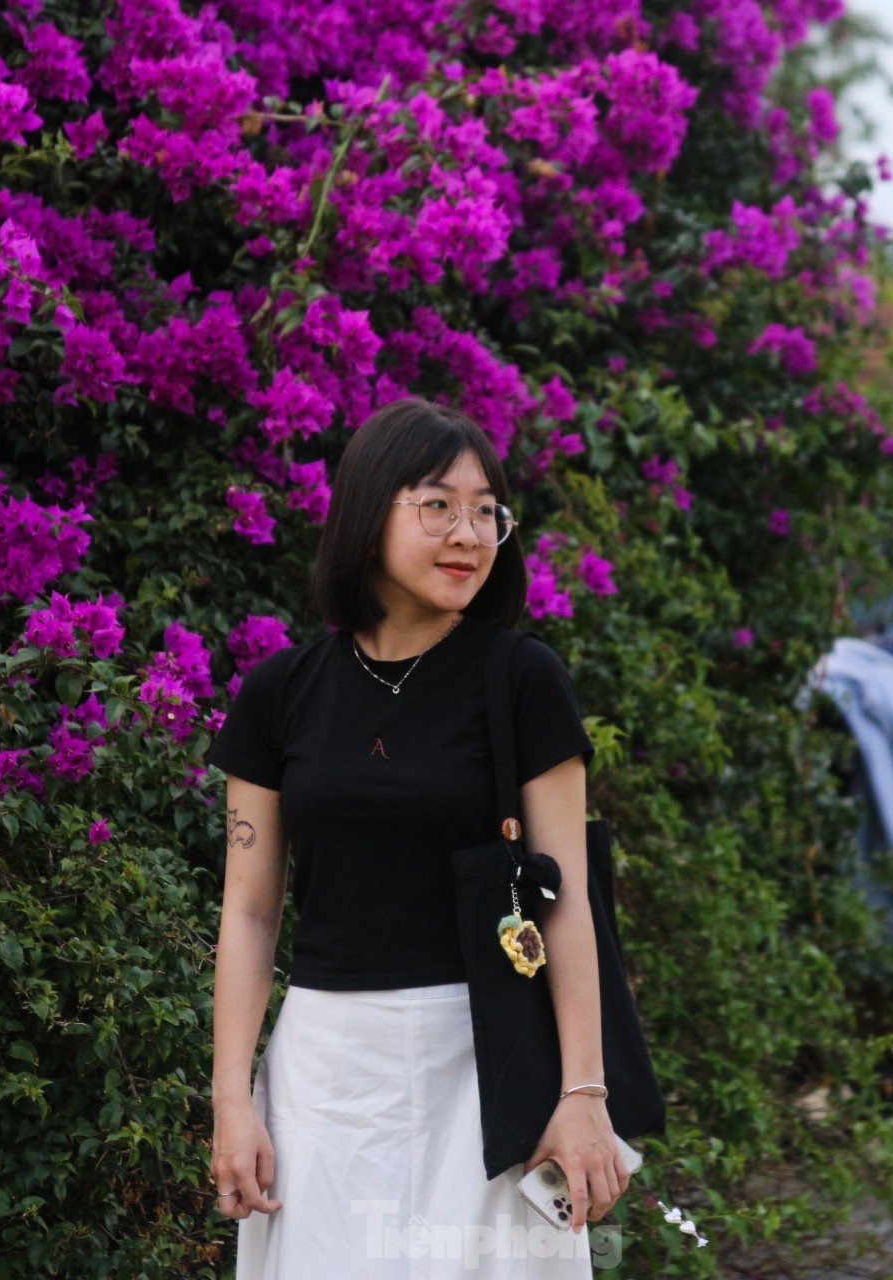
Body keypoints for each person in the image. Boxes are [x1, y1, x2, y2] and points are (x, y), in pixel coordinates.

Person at [205, 397, 624, 1279]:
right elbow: (248, 912)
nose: (468, 533)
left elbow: (567, 898)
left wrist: (582, 1092)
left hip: (486, 1061)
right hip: (325, 1075)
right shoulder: (280, 693)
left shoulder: (523, 681)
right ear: (367, 512)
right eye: (438, 505)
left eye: (486, 512)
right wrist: (232, 1100)